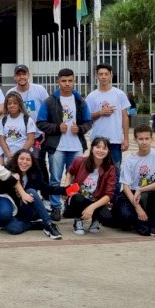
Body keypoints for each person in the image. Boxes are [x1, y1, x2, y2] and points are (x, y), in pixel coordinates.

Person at [37, 68, 93, 222]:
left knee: (76, 179)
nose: (67, 84)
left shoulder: (80, 101)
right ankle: (56, 207)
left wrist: (80, 129)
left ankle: (71, 205)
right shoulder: (50, 101)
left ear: (74, 81)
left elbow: (89, 122)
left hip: (76, 146)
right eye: (64, 81)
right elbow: (40, 122)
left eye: (70, 81)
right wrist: (56, 128)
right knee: (55, 178)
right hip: (57, 146)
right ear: (58, 81)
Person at [115, 124, 155, 237]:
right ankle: (137, 220)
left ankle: (154, 225)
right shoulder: (130, 159)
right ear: (135, 140)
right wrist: (138, 208)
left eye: (147, 138)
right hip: (133, 195)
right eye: (141, 139)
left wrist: (141, 189)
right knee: (126, 220)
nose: (144, 142)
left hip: (150, 193)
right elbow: (126, 187)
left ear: (152, 139)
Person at [62, 137, 117, 235]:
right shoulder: (80, 161)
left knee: (108, 219)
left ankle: (95, 220)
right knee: (78, 198)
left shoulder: (110, 169)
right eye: (98, 147)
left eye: (104, 148)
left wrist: (92, 207)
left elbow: (109, 195)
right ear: (92, 148)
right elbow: (70, 172)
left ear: (108, 151)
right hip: (79, 197)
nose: (100, 150)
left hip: (96, 200)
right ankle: (78, 220)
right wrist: (66, 188)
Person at [2, 149, 62, 239]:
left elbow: (46, 188)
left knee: (31, 191)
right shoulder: (7, 172)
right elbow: (0, 190)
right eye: (21, 159)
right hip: (13, 210)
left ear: (32, 162)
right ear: (16, 159)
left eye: (28, 160)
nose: (24, 162)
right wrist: (11, 180)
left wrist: (65, 190)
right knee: (13, 229)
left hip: (28, 208)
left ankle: (49, 225)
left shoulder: (34, 173)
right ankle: (37, 224)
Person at [86, 63, 130, 178]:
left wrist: (126, 138)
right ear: (97, 76)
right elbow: (86, 117)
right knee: (96, 172)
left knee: (115, 171)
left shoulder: (119, 94)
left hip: (114, 140)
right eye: (101, 74)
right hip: (97, 140)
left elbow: (125, 117)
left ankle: (114, 196)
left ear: (111, 75)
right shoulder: (92, 96)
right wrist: (101, 113)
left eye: (106, 74)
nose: (103, 77)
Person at [0, 91, 37, 159]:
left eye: (15, 103)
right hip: (8, 157)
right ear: (6, 105)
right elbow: (1, 140)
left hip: (24, 157)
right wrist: (8, 154)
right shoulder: (3, 120)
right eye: (9, 103)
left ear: (20, 105)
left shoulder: (27, 120)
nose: (12, 105)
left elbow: (30, 140)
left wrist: (20, 155)